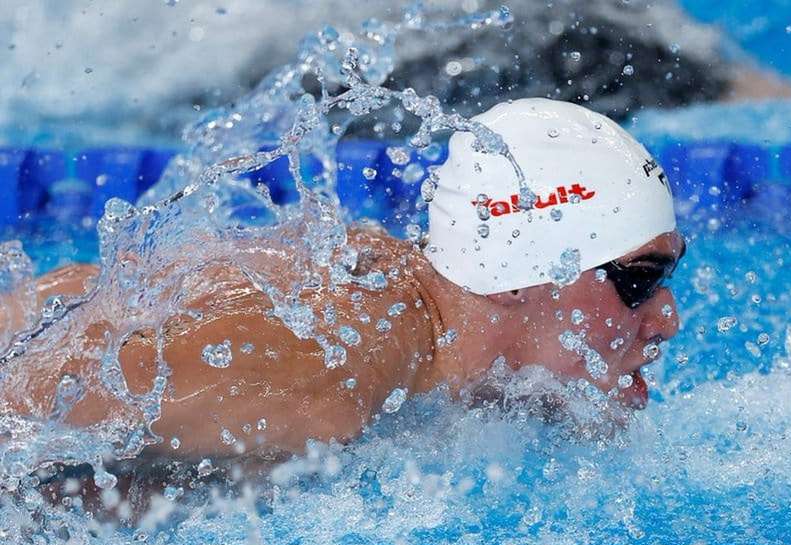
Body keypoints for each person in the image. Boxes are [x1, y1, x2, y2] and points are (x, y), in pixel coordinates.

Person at [1, 98, 684, 462]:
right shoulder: (319, 384)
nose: (667, 317)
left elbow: (72, 293)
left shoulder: (380, 272)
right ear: (517, 275)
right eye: (636, 280)